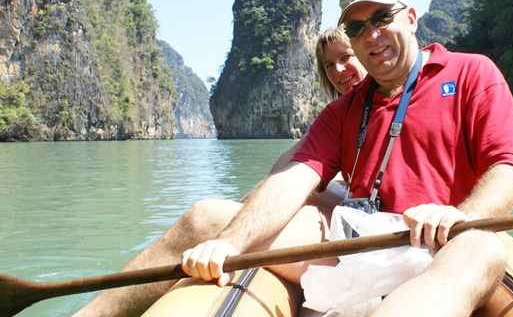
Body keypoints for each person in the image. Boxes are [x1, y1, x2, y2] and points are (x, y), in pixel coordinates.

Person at [179, 0, 513, 316]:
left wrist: (463, 216)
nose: (372, 34)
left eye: (382, 17)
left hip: (442, 244)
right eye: (356, 28)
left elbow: (509, 167)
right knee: (205, 217)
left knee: (481, 246)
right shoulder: (344, 110)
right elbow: (293, 176)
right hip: (359, 244)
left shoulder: (471, 72)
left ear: (410, 18)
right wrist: (230, 243)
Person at [73, 27, 367, 317]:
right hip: (351, 233)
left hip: (372, 245)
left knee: (201, 219)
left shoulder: (389, 106)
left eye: (346, 57)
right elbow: (281, 175)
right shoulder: (342, 115)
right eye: (329, 65)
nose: (338, 71)